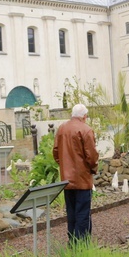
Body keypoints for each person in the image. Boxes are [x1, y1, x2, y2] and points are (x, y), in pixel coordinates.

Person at [53, 103, 99, 243]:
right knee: (83, 213)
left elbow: (56, 152)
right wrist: (93, 169)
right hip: (82, 179)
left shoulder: (62, 129)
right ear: (84, 116)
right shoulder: (85, 130)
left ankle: (72, 242)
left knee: (71, 213)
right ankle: (82, 244)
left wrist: (64, 166)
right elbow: (91, 156)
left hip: (66, 180)